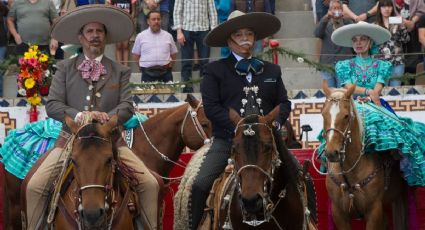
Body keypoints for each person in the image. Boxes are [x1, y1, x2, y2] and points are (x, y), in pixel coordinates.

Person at [24, 5, 159, 229]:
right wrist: (79, 115)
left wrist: (109, 117)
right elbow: (53, 105)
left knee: (150, 184)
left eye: (99, 31)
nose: (95, 36)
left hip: (111, 142)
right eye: (90, 31)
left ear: (106, 37)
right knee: (34, 186)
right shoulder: (64, 68)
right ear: (81, 37)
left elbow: (127, 106)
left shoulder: (120, 70)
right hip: (69, 142)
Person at [190, 10, 291, 229]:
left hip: (267, 142)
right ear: (229, 40)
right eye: (238, 34)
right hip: (228, 141)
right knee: (200, 184)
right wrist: (238, 127)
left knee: (301, 177)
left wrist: (274, 124)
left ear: (255, 39)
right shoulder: (214, 70)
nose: (245, 38)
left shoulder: (272, 69)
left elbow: (284, 103)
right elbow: (211, 107)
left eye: (249, 34)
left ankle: (308, 221)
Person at [329, 21, 425, 186]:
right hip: (354, 104)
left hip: (374, 103)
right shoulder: (345, 65)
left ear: (370, 42)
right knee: (335, 130)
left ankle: (393, 167)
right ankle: (333, 168)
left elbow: (379, 85)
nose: (358, 43)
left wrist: (373, 94)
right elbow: (348, 86)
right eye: (355, 40)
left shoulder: (382, 65)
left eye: (362, 39)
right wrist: (368, 92)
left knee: (397, 130)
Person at [173, 0, 218, 93]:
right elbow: (177, 11)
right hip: (186, 30)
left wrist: (213, 30)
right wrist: (179, 31)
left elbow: (212, 11)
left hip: (204, 29)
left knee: (205, 62)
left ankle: (204, 88)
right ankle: (187, 89)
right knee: (186, 62)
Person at [314, 0, 353, 88]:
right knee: (330, 94)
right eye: (334, 8)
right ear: (329, 10)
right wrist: (326, 17)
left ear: (342, 10)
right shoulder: (324, 23)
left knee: (342, 93)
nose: (336, 10)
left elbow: (352, 35)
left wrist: (343, 19)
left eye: (339, 8)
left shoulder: (348, 23)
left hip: (344, 65)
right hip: (327, 64)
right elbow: (317, 34)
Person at [132, 10, 177, 82]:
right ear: (148, 21)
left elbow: (173, 54)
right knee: (147, 94)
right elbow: (136, 55)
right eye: (153, 19)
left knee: (168, 93)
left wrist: (170, 66)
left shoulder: (168, 36)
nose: (156, 21)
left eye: (158, 19)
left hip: (166, 73)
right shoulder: (140, 36)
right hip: (147, 73)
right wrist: (142, 67)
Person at [374, 0, 409, 87]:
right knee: (381, 91)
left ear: (392, 8)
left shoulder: (397, 22)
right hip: (380, 63)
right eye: (383, 6)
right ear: (379, 9)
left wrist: (403, 26)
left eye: (389, 6)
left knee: (395, 91)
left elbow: (406, 40)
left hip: (398, 62)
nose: (387, 9)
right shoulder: (374, 25)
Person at [107, 0, 136, 66]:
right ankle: (119, 67)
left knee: (126, 46)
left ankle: (125, 67)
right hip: (116, 24)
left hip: (127, 24)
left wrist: (129, 21)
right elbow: (109, 11)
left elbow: (133, 12)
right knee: (118, 46)